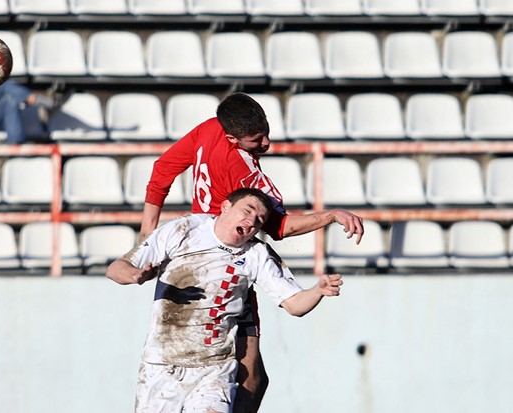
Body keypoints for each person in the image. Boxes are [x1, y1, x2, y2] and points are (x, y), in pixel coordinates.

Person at [139, 92, 364, 412]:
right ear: (232, 137)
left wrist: (148, 234)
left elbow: (163, 168)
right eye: (256, 139)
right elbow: (280, 228)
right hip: (227, 262)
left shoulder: (209, 129)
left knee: (247, 375)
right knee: (248, 377)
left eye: (266, 132)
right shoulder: (246, 175)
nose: (266, 142)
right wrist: (330, 216)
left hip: (190, 255)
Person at [108, 188, 344, 413]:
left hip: (214, 369)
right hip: (161, 365)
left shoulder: (256, 254)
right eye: (248, 210)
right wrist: (136, 275)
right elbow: (116, 268)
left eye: (259, 221)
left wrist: (317, 291)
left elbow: (294, 304)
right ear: (225, 207)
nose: (252, 221)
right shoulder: (183, 230)